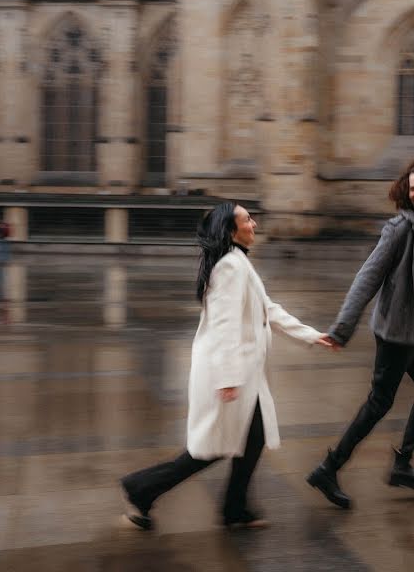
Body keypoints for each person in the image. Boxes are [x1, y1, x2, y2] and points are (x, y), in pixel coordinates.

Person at [120, 202, 336, 530]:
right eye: (248, 219)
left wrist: (311, 335)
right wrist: (228, 378)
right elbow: (225, 325)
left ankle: (234, 507)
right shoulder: (230, 267)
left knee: (250, 439)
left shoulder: (237, 263)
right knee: (209, 449)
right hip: (231, 374)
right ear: (232, 231)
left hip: (245, 374)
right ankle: (141, 488)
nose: (254, 224)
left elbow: (269, 310)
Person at [306, 157, 414, 509]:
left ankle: (401, 464)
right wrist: (342, 328)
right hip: (394, 332)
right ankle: (329, 468)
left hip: (413, 330)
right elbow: (367, 277)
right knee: (380, 402)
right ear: (406, 191)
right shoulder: (400, 228)